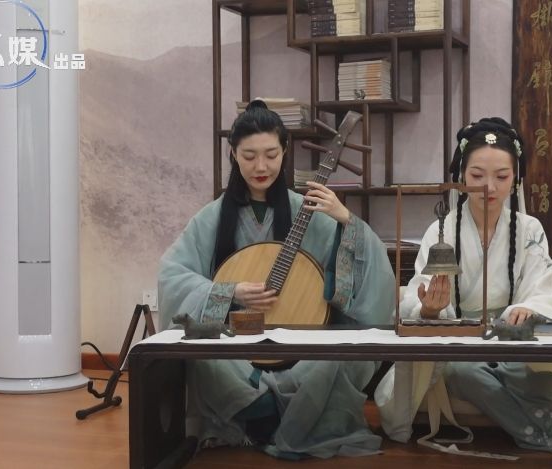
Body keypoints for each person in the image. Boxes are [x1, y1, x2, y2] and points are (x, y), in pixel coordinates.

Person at [157, 100, 396, 459]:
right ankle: (276, 414)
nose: (261, 166)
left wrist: (346, 219)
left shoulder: (306, 211)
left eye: (270, 154)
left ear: (285, 151)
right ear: (233, 154)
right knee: (202, 359)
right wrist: (229, 291)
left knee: (337, 356)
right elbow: (172, 275)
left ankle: (264, 417)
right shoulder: (212, 217)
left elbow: (363, 277)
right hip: (235, 351)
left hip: (302, 350)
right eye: (249, 155)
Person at [376, 117, 552, 451]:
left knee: (545, 371)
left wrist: (527, 308)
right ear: (462, 176)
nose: (489, 187)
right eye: (478, 176)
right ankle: (533, 429)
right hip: (461, 346)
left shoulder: (529, 229)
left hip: (510, 341)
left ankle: (541, 419)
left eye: (502, 176)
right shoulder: (442, 231)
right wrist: (430, 309)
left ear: (516, 178)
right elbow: (419, 293)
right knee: (461, 371)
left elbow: (541, 289)